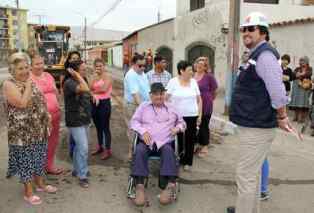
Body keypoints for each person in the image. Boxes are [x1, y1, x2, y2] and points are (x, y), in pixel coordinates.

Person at [227, 12, 295, 213]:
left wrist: (282, 116)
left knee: (245, 175)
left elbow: (278, 93)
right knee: (252, 175)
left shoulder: (265, 56)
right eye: (244, 29)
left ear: (263, 33)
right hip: (253, 124)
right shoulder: (256, 54)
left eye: (251, 29)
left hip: (257, 127)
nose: (246, 32)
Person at [3, 52, 57, 205]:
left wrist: (47, 118)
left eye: (27, 67)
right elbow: (22, 103)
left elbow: (40, 100)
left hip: (39, 128)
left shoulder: (30, 81)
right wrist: (27, 85)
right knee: (26, 160)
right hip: (22, 132)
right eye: (20, 68)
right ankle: (28, 192)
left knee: (39, 157)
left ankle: (40, 184)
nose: (25, 71)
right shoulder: (9, 84)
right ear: (12, 70)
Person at [130, 82, 186, 206]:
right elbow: (134, 122)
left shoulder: (172, 107)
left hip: (165, 142)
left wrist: (177, 128)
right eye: (156, 94)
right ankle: (139, 185)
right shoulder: (143, 106)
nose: (159, 97)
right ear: (150, 95)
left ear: (164, 94)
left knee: (168, 151)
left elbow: (182, 123)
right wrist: (142, 131)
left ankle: (170, 184)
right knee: (139, 150)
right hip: (146, 142)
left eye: (161, 94)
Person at [166, 60, 202, 171]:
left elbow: (199, 99)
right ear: (181, 71)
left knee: (190, 139)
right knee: (179, 138)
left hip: (192, 115)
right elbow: (166, 98)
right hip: (177, 117)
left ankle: (188, 162)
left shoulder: (194, 82)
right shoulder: (173, 82)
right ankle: (179, 158)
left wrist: (199, 115)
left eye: (192, 70)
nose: (192, 72)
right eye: (189, 70)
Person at [30, 54, 63, 175]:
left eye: (41, 63)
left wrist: (58, 104)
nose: (40, 66)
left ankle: (49, 166)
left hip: (55, 114)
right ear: (31, 65)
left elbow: (55, 92)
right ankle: (37, 170)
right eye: (37, 64)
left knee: (53, 141)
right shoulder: (29, 78)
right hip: (40, 117)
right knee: (39, 143)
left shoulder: (48, 75)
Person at [63, 60, 91, 188]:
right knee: (83, 147)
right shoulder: (70, 83)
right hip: (75, 120)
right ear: (74, 71)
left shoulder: (82, 79)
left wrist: (93, 96)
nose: (85, 71)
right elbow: (84, 88)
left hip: (84, 118)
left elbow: (87, 91)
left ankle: (77, 169)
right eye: (83, 69)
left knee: (80, 147)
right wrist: (76, 75)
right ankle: (82, 175)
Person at [123, 54, 150, 160]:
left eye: (144, 66)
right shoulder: (131, 75)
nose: (143, 68)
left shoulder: (142, 74)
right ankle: (131, 153)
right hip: (133, 106)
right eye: (140, 66)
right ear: (133, 64)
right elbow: (136, 95)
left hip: (143, 105)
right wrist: (143, 108)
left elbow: (147, 90)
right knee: (133, 129)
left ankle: (141, 150)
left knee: (144, 128)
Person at [193, 58, 218, 157]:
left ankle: (204, 146)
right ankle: (196, 144)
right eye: (198, 64)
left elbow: (215, 90)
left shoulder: (209, 77)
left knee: (204, 124)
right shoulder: (192, 75)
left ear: (205, 67)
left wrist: (211, 99)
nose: (199, 66)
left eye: (202, 65)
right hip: (194, 103)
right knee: (194, 124)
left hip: (206, 103)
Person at [90, 58, 113, 160]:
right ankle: (100, 146)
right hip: (94, 103)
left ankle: (107, 150)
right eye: (97, 66)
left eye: (100, 66)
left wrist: (94, 92)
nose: (98, 68)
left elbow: (104, 89)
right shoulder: (94, 76)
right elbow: (89, 87)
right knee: (98, 127)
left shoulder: (108, 76)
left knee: (105, 127)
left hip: (104, 103)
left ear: (104, 66)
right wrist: (94, 78)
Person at [63, 51, 81, 158]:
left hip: (81, 108)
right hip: (72, 108)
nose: (75, 60)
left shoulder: (81, 73)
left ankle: (76, 152)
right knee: (74, 133)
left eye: (77, 58)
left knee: (79, 134)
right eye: (73, 58)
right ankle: (73, 152)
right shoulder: (67, 77)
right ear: (69, 60)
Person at [289, 56, 312, 123]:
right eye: (301, 61)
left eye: (303, 61)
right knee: (296, 102)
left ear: (307, 62)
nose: (301, 62)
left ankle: (302, 118)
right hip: (297, 87)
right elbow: (293, 75)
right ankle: (296, 116)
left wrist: (301, 74)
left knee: (303, 103)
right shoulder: (297, 68)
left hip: (304, 87)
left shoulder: (309, 68)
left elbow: (309, 74)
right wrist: (297, 75)